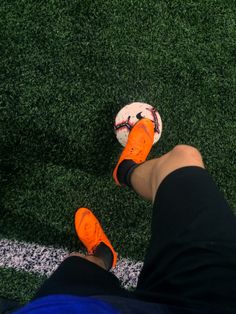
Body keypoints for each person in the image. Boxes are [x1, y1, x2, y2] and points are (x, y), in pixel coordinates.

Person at [14, 119, 236, 313]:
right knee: (182, 158)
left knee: (75, 265)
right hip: (218, 300)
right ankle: (125, 169)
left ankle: (103, 255)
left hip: (82, 310)